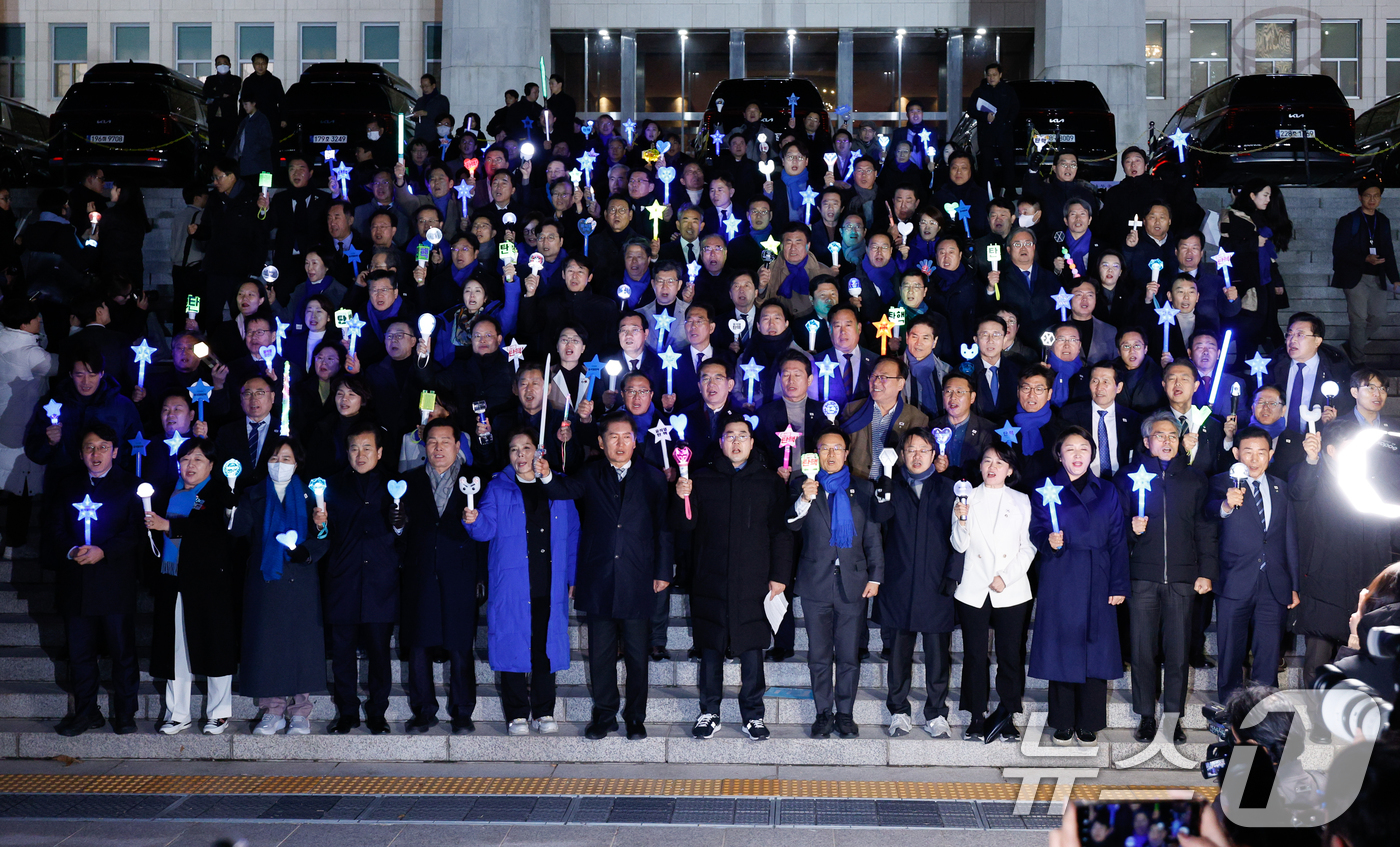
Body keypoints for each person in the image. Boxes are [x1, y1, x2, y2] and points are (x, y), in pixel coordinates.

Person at [539, 412, 672, 739]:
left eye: (626, 436)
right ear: (601, 442)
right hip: (598, 577)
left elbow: (664, 529)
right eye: (613, 437)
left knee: (638, 657)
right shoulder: (591, 473)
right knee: (600, 656)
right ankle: (604, 714)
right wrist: (543, 475)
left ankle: (636, 716)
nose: (621, 443)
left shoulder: (652, 477)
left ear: (635, 439)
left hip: (638, 577)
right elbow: (563, 488)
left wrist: (663, 570)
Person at [672, 418, 791, 741]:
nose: (736, 442)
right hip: (711, 579)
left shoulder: (769, 483)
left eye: (743, 436)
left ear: (752, 443)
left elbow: (780, 534)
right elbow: (685, 527)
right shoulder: (701, 479)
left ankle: (753, 714)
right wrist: (681, 496)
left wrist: (779, 576)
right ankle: (709, 711)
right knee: (710, 648)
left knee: (753, 649)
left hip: (754, 581)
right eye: (730, 437)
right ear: (720, 442)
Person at [1289, 419, 1397, 742]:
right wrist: (1311, 460)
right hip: (1324, 582)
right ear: (1333, 450)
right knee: (1317, 661)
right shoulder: (1315, 477)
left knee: (1362, 660)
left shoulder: (1372, 482)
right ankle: (1319, 724)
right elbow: (1299, 489)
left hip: (1363, 585)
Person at [465, 429, 578, 736]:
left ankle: (543, 710)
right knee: (513, 641)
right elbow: (485, 530)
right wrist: (473, 520)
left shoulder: (556, 486)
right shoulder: (498, 488)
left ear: (538, 451)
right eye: (514, 450)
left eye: (526, 448)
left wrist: (572, 575)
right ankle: (516, 711)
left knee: (545, 644)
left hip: (548, 579)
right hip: (513, 580)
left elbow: (571, 533)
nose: (520, 455)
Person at [1118, 410, 1217, 746]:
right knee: (1143, 649)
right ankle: (1147, 715)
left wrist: (1206, 571)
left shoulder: (1194, 480)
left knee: (1177, 652)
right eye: (1159, 435)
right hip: (1141, 577)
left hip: (1181, 577)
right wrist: (1131, 530)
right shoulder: (1128, 476)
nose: (1167, 441)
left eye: (1173, 436)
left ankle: (1173, 717)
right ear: (1146, 442)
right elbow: (1114, 529)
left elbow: (1204, 528)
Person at [1028, 426, 1129, 745]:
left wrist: (1118, 583)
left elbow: (1117, 539)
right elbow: (1035, 529)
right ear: (1059, 454)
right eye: (1070, 449)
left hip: (1098, 575)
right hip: (1061, 573)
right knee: (1062, 647)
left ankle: (1090, 719)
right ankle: (1061, 719)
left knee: (1095, 649)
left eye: (1084, 449)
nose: (1077, 455)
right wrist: (1048, 540)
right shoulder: (1046, 488)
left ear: (1092, 454)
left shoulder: (1107, 490)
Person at [786, 428, 884, 738]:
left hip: (853, 583)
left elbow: (872, 537)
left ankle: (845, 713)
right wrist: (804, 498)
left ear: (846, 453)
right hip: (815, 582)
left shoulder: (864, 489)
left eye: (837, 449)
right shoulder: (800, 485)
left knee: (847, 654)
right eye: (824, 449)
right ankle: (822, 713)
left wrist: (876, 576)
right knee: (818, 654)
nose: (831, 455)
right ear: (814, 454)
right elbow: (790, 524)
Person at [48, 426, 142, 737]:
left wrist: (104, 551)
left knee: (122, 651)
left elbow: (134, 532)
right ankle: (86, 712)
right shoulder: (68, 485)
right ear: (80, 453)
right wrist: (72, 549)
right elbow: (55, 529)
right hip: (77, 582)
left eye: (103, 447)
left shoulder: (131, 485)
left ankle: (126, 713)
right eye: (89, 447)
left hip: (114, 582)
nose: (96, 454)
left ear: (115, 451)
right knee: (80, 653)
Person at [231, 435, 327, 735]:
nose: (279, 464)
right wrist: (230, 504)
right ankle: (272, 710)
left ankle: (300, 711)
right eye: (274, 458)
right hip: (266, 578)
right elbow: (237, 531)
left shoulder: (312, 494)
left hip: (301, 577)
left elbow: (324, 538)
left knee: (302, 643)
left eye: (286, 459)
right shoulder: (252, 494)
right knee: (268, 644)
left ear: (296, 463)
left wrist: (315, 537)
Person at [144, 437, 240, 735]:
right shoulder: (167, 492)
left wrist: (169, 526)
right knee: (176, 647)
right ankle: (178, 713)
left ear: (212, 464)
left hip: (211, 583)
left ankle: (219, 712)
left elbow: (212, 531)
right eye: (185, 459)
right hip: (173, 579)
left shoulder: (217, 493)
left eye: (198, 459)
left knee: (215, 643)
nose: (190, 465)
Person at [869, 428, 960, 738]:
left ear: (934, 455)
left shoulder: (950, 489)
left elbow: (961, 538)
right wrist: (886, 474)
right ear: (902, 455)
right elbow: (879, 516)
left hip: (937, 586)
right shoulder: (890, 487)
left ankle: (936, 712)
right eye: (910, 450)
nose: (917, 456)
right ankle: (898, 711)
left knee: (937, 655)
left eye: (923, 450)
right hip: (899, 585)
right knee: (898, 655)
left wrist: (953, 576)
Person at [400, 420, 482, 733]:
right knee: (419, 644)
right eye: (432, 441)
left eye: (445, 441)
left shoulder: (475, 481)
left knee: (461, 645)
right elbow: (399, 532)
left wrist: (481, 575)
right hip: (420, 571)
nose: (437, 448)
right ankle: (423, 710)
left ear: (458, 446)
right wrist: (397, 526)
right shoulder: (407, 481)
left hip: (461, 571)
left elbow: (486, 533)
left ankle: (462, 711)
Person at [1207, 426, 1299, 702]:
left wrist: (1294, 585)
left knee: (1269, 654)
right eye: (1247, 452)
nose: (1254, 459)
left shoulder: (1280, 487)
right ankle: (1228, 708)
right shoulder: (1220, 482)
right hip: (1234, 580)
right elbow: (1206, 514)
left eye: (1261, 452)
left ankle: (1263, 712)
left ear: (1270, 454)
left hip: (1274, 583)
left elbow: (1288, 538)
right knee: (1231, 652)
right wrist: (1224, 505)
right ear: (1236, 453)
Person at [951, 443, 1034, 743]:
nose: (992, 467)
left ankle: (1007, 713)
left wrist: (1007, 577)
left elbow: (1029, 546)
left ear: (1009, 469)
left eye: (999, 463)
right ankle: (976, 715)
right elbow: (959, 545)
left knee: (1010, 654)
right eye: (987, 461)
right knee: (974, 654)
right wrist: (961, 518)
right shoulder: (966, 496)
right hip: (974, 587)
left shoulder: (1022, 501)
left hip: (1010, 588)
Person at [322, 423, 398, 735]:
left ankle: (377, 713)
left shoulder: (396, 485)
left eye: (367, 448)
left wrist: (401, 524)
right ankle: (347, 712)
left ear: (380, 452)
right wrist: (319, 523)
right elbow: (324, 534)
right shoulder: (331, 486)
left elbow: (404, 533)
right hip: (343, 580)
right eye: (354, 448)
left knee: (380, 653)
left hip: (381, 582)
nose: (360, 454)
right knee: (342, 652)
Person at [0, 301, 57, 555]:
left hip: (3, 423)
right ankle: (15, 537)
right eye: (36, 319)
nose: (40, 321)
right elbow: (56, 365)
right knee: (21, 485)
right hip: (21, 426)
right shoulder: (32, 355)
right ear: (24, 325)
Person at [1221, 179, 1291, 359]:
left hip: (1264, 278)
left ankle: (1275, 361)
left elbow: (1269, 255)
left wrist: (1276, 279)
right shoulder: (1232, 215)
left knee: (1268, 323)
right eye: (1265, 195)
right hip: (1245, 280)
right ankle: (1247, 364)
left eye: (1269, 196)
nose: (1268, 200)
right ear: (1252, 195)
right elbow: (1226, 245)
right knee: (1250, 323)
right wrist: (1254, 242)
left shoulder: (1260, 216)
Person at [1332, 180, 1399, 364]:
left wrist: (1395, 278)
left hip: (1377, 275)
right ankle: (1358, 360)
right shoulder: (1349, 220)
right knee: (1359, 319)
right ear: (1360, 197)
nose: (1372, 199)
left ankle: (1352, 344)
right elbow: (1339, 249)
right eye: (1368, 195)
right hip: (1355, 277)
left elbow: (1388, 250)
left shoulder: (1383, 220)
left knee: (1379, 316)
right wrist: (1364, 258)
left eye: (1376, 196)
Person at [841, 356, 929, 481]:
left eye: (883, 378)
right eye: (873, 376)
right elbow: (841, 450)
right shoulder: (853, 410)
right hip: (857, 485)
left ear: (900, 383)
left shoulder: (916, 418)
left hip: (897, 488)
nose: (876, 382)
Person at [1269, 312, 1353, 432]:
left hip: (1318, 438)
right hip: (1277, 438)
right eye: (1289, 334)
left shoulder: (1336, 370)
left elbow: (1345, 407)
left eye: (1300, 335)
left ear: (1317, 341)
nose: (1292, 340)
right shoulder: (1273, 366)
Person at [1061, 362, 1142, 480]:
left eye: (1106, 382)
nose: (1099, 388)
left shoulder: (1133, 419)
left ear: (1118, 387)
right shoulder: (1069, 415)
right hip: (1083, 481)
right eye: (1095, 381)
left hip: (1122, 482)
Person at [970, 63, 1020, 194]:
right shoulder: (979, 91)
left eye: (994, 75)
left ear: (1000, 75)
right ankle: (986, 194)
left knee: (1008, 165)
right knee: (986, 167)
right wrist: (984, 116)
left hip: (1004, 135)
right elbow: (971, 110)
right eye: (989, 75)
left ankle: (1010, 193)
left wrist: (1007, 122)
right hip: (987, 135)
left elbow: (1015, 109)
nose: (991, 78)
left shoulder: (1008, 91)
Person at [228, 95, 273, 179]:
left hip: (257, 164)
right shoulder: (246, 120)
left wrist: (253, 150)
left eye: (246, 104)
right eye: (243, 105)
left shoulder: (261, 119)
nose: (244, 107)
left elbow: (267, 140)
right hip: (248, 163)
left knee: (258, 189)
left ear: (253, 104)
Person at [412, 74, 451, 143]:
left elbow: (445, 117)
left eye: (426, 86)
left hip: (435, 137)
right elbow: (414, 118)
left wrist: (427, 113)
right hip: (420, 136)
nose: (424, 89)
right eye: (422, 86)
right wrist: (414, 115)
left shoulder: (442, 100)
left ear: (433, 86)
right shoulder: (420, 101)